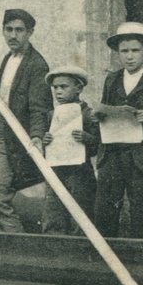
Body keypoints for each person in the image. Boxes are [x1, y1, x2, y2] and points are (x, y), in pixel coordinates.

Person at [0, 9, 51, 233]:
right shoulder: (10, 57)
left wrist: (37, 136)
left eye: (19, 30)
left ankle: (22, 247)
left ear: (30, 33)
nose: (13, 35)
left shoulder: (37, 65)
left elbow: (39, 107)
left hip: (11, 138)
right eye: (8, 29)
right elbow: (7, 88)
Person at [94, 22, 143, 239]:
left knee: (139, 207)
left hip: (141, 155)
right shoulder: (112, 79)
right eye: (124, 51)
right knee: (106, 206)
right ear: (117, 53)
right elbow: (105, 109)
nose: (129, 56)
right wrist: (99, 115)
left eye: (135, 50)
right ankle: (107, 255)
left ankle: (141, 261)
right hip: (112, 152)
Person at [40, 66, 98, 236]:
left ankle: (80, 252)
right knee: (53, 211)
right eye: (55, 88)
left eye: (64, 87)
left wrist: (87, 138)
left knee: (80, 212)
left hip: (80, 172)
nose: (58, 91)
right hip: (56, 171)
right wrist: (46, 141)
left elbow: (98, 146)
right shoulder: (52, 115)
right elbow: (46, 143)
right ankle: (54, 248)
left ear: (78, 88)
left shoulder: (88, 114)